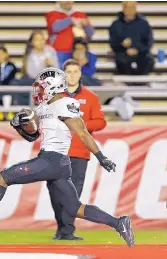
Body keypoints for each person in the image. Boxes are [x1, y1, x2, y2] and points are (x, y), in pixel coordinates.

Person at [0, 67, 134, 247]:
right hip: (56, 162)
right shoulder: (43, 107)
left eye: (41, 87)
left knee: (3, 177)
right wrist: (20, 126)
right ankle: (119, 223)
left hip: (52, 160)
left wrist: (101, 157)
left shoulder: (65, 103)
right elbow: (33, 137)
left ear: (52, 86)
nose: (38, 91)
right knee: (74, 208)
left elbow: (83, 133)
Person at [50, 59, 107, 240]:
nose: (72, 75)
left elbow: (101, 121)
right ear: (63, 75)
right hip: (56, 151)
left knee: (72, 193)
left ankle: (67, 230)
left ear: (80, 74)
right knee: (55, 191)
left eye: (76, 71)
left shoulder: (91, 97)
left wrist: (78, 124)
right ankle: (62, 228)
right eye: (69, 72)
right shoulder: (54, 96)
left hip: (79, 152)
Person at [109, 1, 154, 75]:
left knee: (148, 61)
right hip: (123, 54)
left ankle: (140, 83)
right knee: (122, 61)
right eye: (128, 8)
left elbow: (148, 42)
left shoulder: (143, 24)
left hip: (141, 55)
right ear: (123, 9)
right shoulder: (116, 24)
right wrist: (122, 45)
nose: (130, 11)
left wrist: (137, 50)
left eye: (132, 8)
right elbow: (112, 43)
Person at [45, 1, 94, 66]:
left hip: (78, 52)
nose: (67, 1)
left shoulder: (80, 14)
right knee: (60, 74)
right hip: (58, 52)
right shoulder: (52, 14)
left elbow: (90, 33)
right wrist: (71, 20)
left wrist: (86, 25)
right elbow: (54, 27)